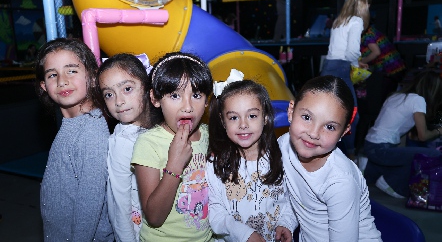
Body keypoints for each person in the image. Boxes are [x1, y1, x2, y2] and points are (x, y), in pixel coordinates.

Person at [278, 75, 382, 241]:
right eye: (306, 117)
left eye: (329, 127)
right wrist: (287, 222)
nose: (313, 133)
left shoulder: (340, 182)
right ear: (291, 112)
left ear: (343, 132)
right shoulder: (283, 146)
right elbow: (299, 198)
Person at [35, 38, 114, 241]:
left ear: (92, 76)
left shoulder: (91, 131)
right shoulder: (73, 124)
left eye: (71, 70)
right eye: (53, 75)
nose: (62, 81)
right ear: (44, 86)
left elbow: (89, 205)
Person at [131, 52, 214, 241]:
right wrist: (175, 165)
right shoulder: (148, 143)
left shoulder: (210, 135)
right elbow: (154, 217)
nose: (187, 106)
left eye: (196, 95)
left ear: (207, 100)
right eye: (175, 95)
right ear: (155, 99)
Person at [206, 74, 297, 242]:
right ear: (223, 121)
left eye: (252, 116)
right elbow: (215, 212)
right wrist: (245, 235)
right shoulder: (215, 164)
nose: (243, 124)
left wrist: (286, 223)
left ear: (266, 117)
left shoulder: (282, 157)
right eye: (233, 117)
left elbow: (291, 201)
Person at [97, 53, 152, 241]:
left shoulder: (158, 130)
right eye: (109, 94)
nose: (118, 101)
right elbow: (119, 204)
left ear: (146, 88)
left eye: (127, 89)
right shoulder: (122, 142)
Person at [364, 70, 442, 198]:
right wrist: (439, 130)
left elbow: (410, 135)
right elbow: (423, 136)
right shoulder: (418, 100)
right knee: (434, 155)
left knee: (410, 154)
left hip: (371, 145)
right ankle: (391, 183)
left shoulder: (396, 96)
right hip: (381, 149)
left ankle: (370, 168)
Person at [321, 0, 371, 160]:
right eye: (368, 4)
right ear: (364, 5)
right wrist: (356, 64)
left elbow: (337, 51)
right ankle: (350, 156)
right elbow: (351, 52)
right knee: (352, 116)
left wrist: (356, 62)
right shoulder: (356, 21)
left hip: (328, 67)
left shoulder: (339, 21)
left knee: (328, 113)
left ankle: (330, 153)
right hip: (341, 70)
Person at [356, 24, 407, 154]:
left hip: (388, 71)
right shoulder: (370, 31)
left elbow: (376, 52)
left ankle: (369, 146)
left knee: (372, 110)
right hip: (391, 71)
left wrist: (360, 63)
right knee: (376, 108)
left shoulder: (367, 34)